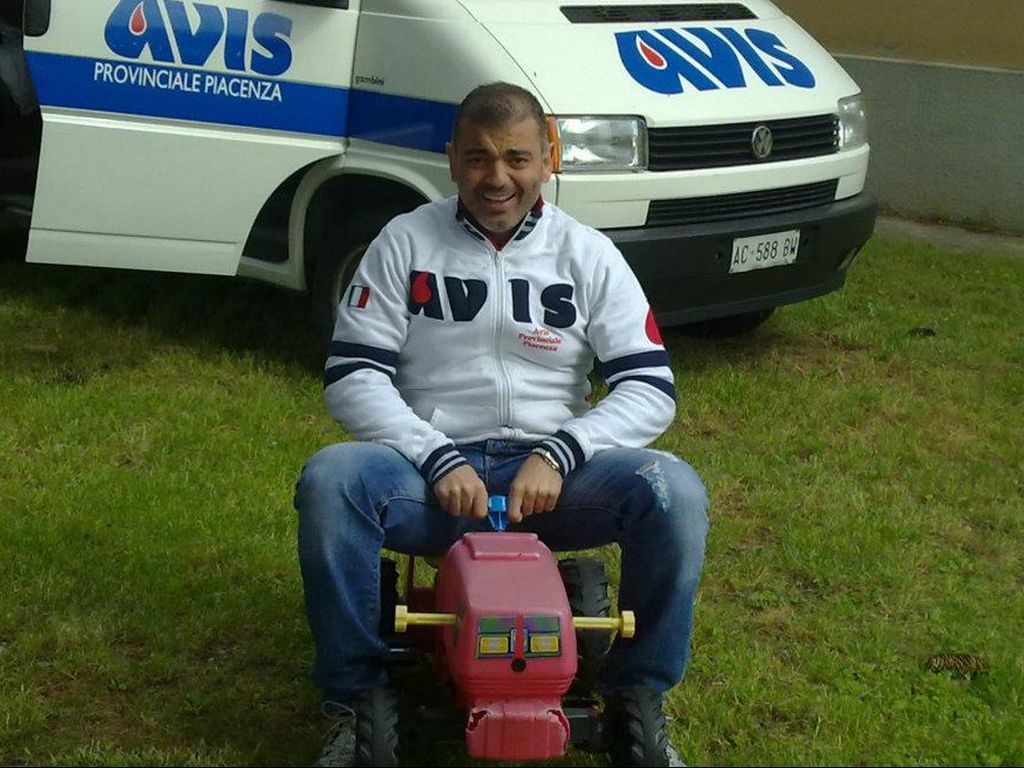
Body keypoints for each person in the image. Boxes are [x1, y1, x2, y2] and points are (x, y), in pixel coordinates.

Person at [294, 82, 709, 767]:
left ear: (549, 159)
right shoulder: (404, 242)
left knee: (676, 494)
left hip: (553, 483)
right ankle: (354, 698)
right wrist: (434, 455)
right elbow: (352, 374)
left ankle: (637, 699)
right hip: (429, 478)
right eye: (479, 157)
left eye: (517, 158)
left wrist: (563, 451)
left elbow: (650, 386)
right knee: (332, 480)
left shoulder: (589, 254)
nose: (497, 178)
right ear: (452, 159)